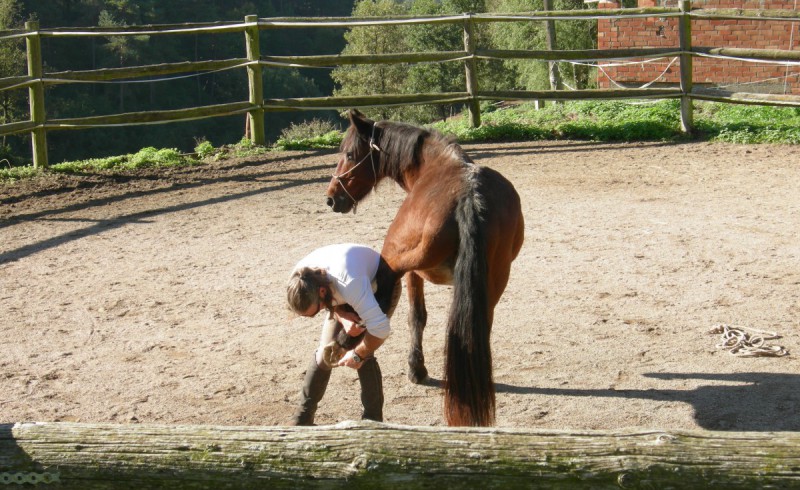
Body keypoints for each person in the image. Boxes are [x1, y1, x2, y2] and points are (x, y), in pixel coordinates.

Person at [286, 243, 391, 425]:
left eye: (316, 311)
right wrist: (341, 316)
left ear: (321, 292)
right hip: (343, 288)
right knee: (325, 355)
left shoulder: (350, 284)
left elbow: (381, 329)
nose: (317, 314)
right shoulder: (297, 281)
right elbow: (330, 302)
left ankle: (372, 422)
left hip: (378, 284)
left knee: (364, 355)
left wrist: (358, 354)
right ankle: (302, 419)